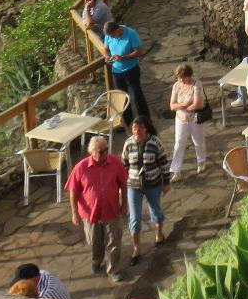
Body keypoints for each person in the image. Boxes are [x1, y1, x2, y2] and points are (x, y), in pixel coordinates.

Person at [66, 134, 130, 282]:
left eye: (106, 149)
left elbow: (123, 184)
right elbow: (73, 191)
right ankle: (97, 260)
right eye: (101, 151)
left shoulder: (115, 163)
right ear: (92, 152)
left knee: (114, 241)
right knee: (95, 242)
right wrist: (74, 212)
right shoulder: (81, 167)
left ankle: (113, 270)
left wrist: (124, 204)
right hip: (90, 213)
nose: (105, 153)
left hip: (111, 210)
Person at [122, 117, 169, 263]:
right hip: (133, 186)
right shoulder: (128, 143)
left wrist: (166, 183)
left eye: (139, 128)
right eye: (134, 128)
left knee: (156, 211)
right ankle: (136, 248)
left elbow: (163, 163)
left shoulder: (155, 143)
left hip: (153, 184)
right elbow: (124, 164)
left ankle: (159, 235)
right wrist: (122, 185)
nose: (136, 131)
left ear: (146, 129)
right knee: (134, 218)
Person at [103, 19, 152, 130]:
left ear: (117, 30)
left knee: (137, 95)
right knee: (122, 97)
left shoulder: (131, 33)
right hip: (116, 71)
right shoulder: (109, 35)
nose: (111, 38)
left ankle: (145, 120)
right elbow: (105, 49)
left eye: (113, 35)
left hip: (131, 69)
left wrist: (123, 57)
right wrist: (107, 57)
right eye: (110, 36)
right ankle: (127, 121)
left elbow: (139, 51)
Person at [168, 63, 207, 179]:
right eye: (179, 77)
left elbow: (197, 105)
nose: (180, 80)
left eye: (183, 77)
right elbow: (172, 106)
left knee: (198, 141)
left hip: (195, 118)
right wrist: (186, 104)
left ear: (189, 76)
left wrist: (180, 106)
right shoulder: (176, 86)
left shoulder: (197, 84)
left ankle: (201, 161)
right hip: (180, 119)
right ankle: (176, 170)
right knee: (179, 143)